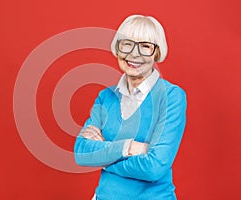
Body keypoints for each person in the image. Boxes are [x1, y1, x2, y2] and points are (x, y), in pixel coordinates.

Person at [74, 14, 187, 200]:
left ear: (157, 53)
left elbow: (155, 167)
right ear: (118, 49)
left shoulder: (171, 96)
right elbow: (82, 153)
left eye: (145, 46)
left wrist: (105, 159)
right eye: (127, 44)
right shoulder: (106, 97)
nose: (134, 54)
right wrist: (130, 147)